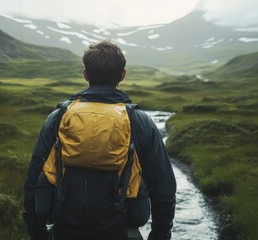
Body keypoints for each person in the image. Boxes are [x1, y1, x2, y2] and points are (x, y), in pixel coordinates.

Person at [23, 40, 176, 240]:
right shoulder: (139, 121)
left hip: (64, 231)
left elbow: (33, 178)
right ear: (122, 75)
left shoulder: (59, 117)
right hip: (122, 232)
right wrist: (160, 235)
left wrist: (38, 233)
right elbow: (164, 187)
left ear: (85, 74)